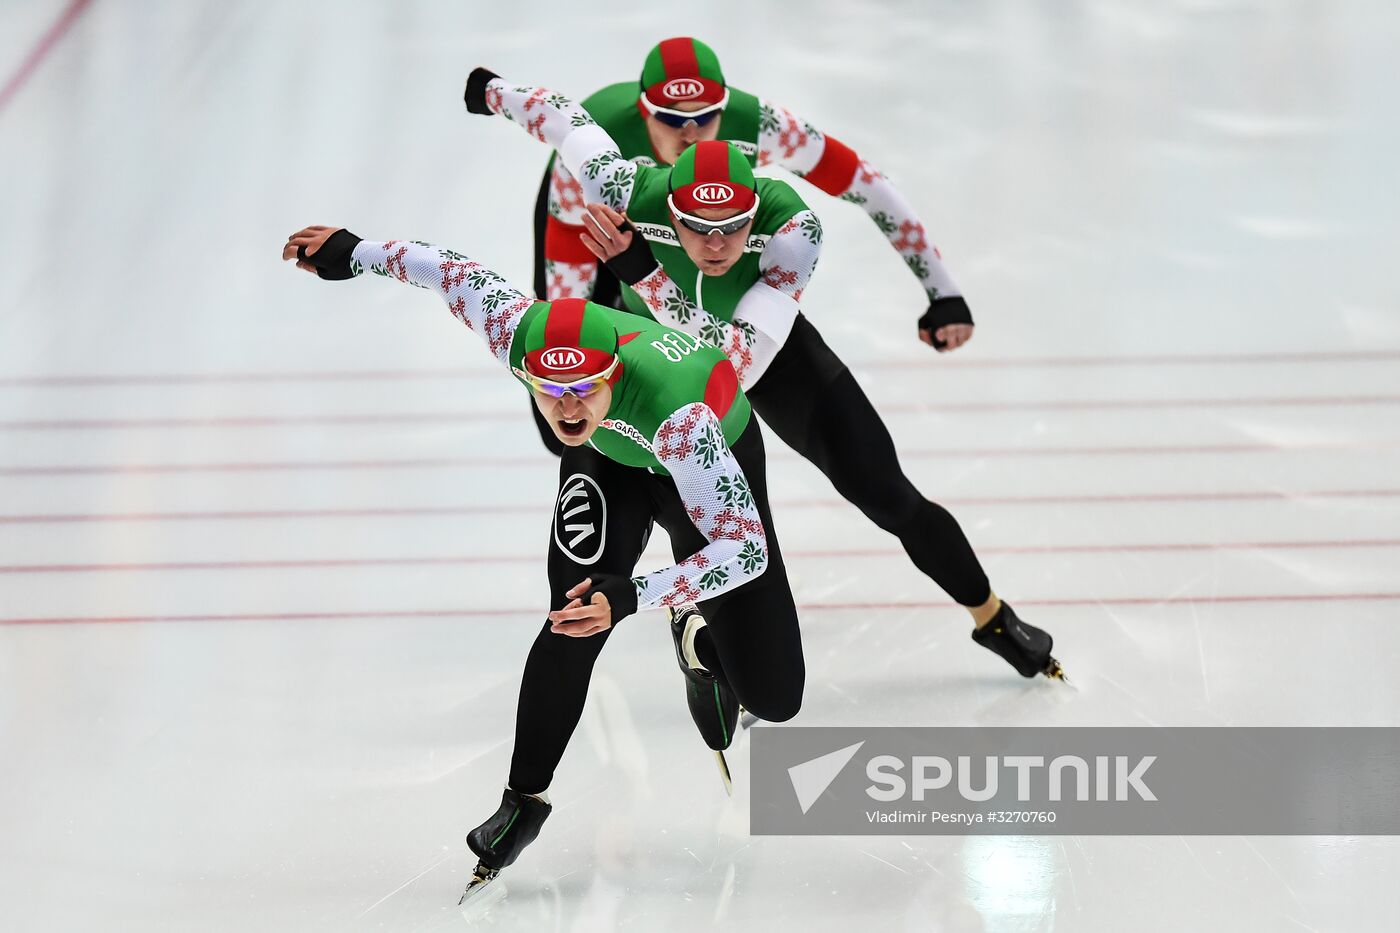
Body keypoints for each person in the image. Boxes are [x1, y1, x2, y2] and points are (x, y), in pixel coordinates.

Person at [465, 67, 1064, 683]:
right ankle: (697, 618)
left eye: (733, 227)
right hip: (658, 366)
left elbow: (735, 361)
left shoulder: (791, 223)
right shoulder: (623, 186)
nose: (716, 243)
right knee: (695, 512)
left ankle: (990, 615)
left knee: (886, 491)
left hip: (760, 351)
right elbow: (564, 120)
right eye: (669, 120)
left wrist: (943, 292)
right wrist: (490, 92)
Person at [281, 224, 803, 897]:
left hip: (695, 467)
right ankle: (522, 800)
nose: (566, 407)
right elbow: (444, 267)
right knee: (574, 613)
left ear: (612, 371)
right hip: (613, 458)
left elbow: (746, 548)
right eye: (549, 389)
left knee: (776, 697)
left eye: (585, 387)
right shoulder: (517, 330)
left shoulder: (683, 419)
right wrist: (351, 251)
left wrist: (640, 593)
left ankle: (700, 641)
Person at [525, 36, 974, 455]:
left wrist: (943, 291)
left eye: (705, 117)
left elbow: (863, 184)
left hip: (694, 252)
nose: (690, 135)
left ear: (724, 108)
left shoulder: (761, 126)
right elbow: (568, 239)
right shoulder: (599, 155)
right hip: (609, 234)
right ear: (643, 112)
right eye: (671, 118)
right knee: (569, 428)